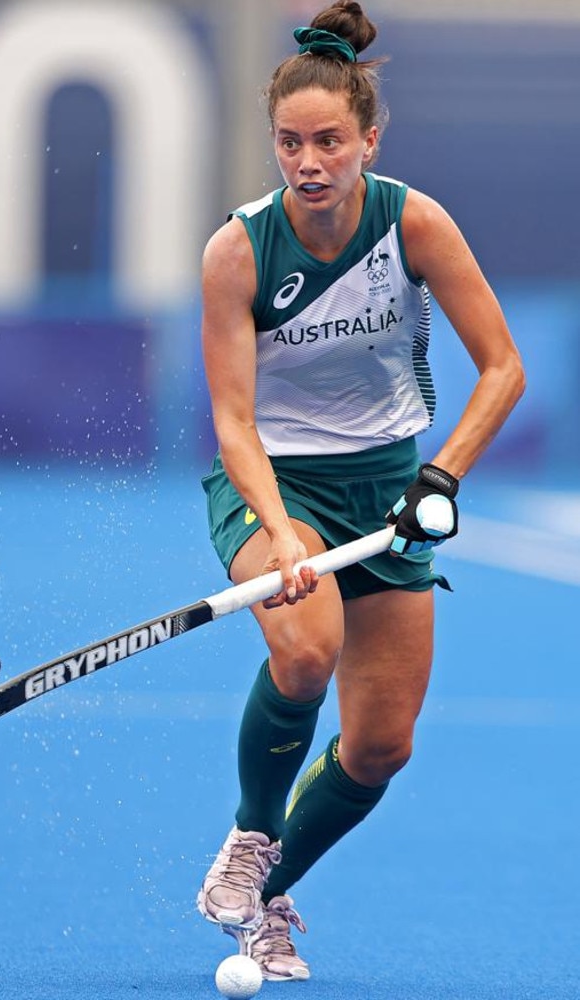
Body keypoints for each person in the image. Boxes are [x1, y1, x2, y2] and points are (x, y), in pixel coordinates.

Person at [196, 0, 525, 982]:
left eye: (328, 141)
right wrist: (278, 532)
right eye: (289, 142)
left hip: (390, 488)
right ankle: (254, 837)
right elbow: (232, 422)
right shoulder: (237, 252)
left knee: (381, 743)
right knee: (305, 647)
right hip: (274, 481)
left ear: (366, 140)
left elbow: (501, 368)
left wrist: (438, 478)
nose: (307, 161)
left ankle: (264, 899)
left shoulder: (411, 222)